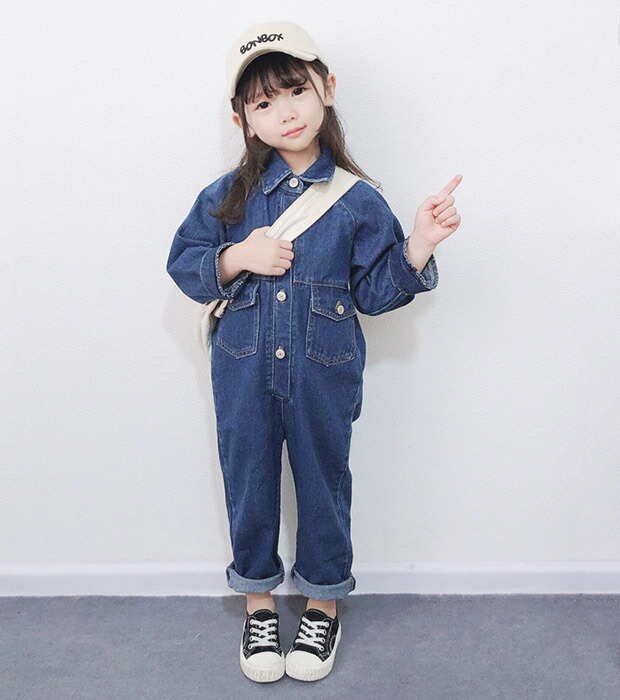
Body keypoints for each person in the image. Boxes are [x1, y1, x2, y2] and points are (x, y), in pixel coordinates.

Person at [166, 20, 462, 684]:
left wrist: (419, 244)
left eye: (296, 90)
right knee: (249, 482)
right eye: (263, 102)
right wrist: (238, 256)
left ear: (327, 87)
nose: (285, 112)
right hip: (242, 370)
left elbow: (375, 294)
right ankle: (258, 604)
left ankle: (323, 605)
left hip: (324, 376)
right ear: (242, 120)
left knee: (324, 486)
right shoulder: (227, 198)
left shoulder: (358, 201)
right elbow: (184, 264)